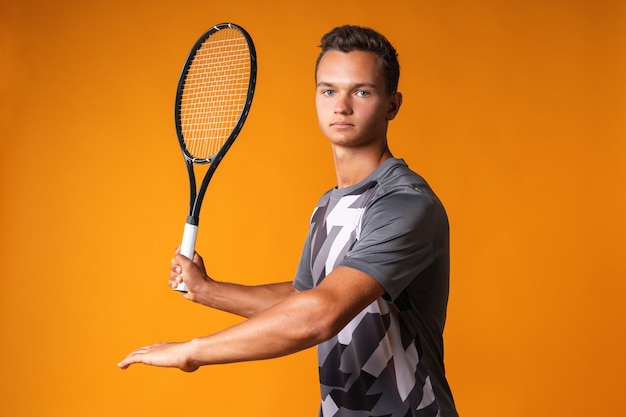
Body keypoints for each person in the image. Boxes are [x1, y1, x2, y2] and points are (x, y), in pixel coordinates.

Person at [119, 25, 459, 417]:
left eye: (361, 91)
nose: (341, 106)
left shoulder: (405, 204)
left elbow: (321, 313)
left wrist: (191, 351)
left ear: (392, 105)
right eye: (328, 90)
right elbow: (303, 299)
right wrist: (208, 290)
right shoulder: (328, 205)